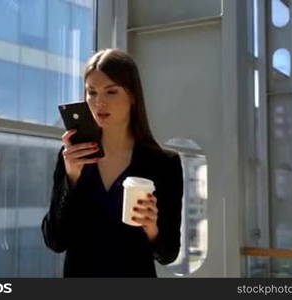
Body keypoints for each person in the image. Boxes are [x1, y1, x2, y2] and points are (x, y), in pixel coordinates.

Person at [41, 48, 184, 277]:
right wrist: (71, 178)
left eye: (111, 92)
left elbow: (168, 254)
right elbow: (55, 240)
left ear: (132, 96)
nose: (99, 102)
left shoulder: (163, 163)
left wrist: (152, 228)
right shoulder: (72, 156)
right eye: (92, 92)